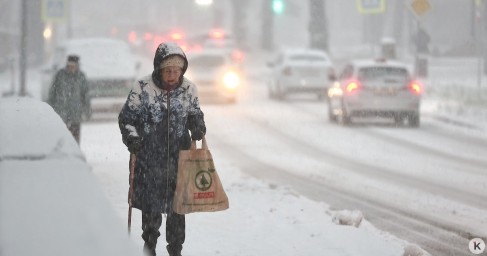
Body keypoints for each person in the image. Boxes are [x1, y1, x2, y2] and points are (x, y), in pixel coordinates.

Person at [118, 42, 206, 256]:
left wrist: (197, 126)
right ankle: (149, 249)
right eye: (168, 70)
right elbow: (126, 119)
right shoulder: (142, 88)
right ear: (159, 68)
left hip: (179, 162)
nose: (172, 75)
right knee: (151, 211)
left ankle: (176, 250)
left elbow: (195, 113)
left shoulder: (188, 89)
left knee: (177, 211)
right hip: (150, 161)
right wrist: (133, 138)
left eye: (177, 71)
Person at [48, 55, 91, 144]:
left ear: (77, 66)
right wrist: (50, 108)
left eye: (73, 66)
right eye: (70, 66)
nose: (71, 68)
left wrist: (87, 111)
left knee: (75, 140)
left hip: (75, 115)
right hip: (61, 115)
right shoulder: (60, 75)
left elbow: (85, 96)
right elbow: (52, 93)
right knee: (61, 140)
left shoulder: (81, 77)